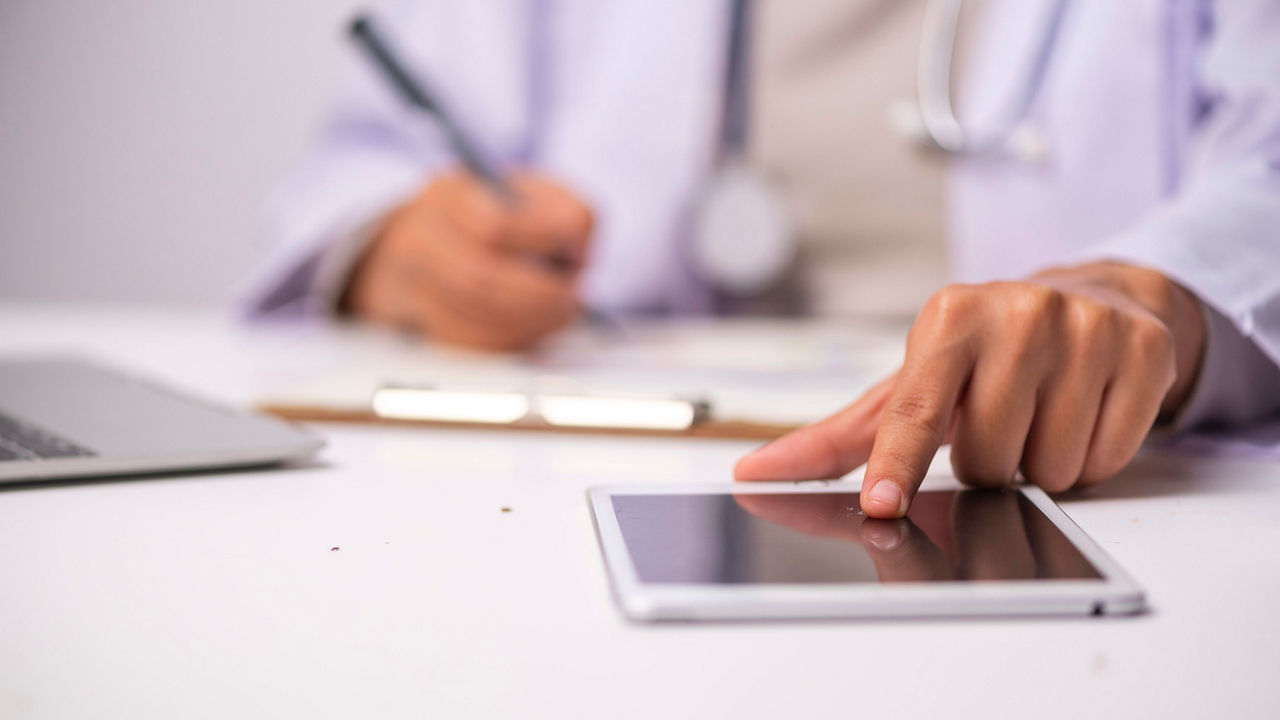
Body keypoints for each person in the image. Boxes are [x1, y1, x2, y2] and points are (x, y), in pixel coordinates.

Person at [247, 1, 1280, 518]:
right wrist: (406, 248)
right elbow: (372, 155)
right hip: (580, 464)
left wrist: (1150, 295)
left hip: (1009, 488)